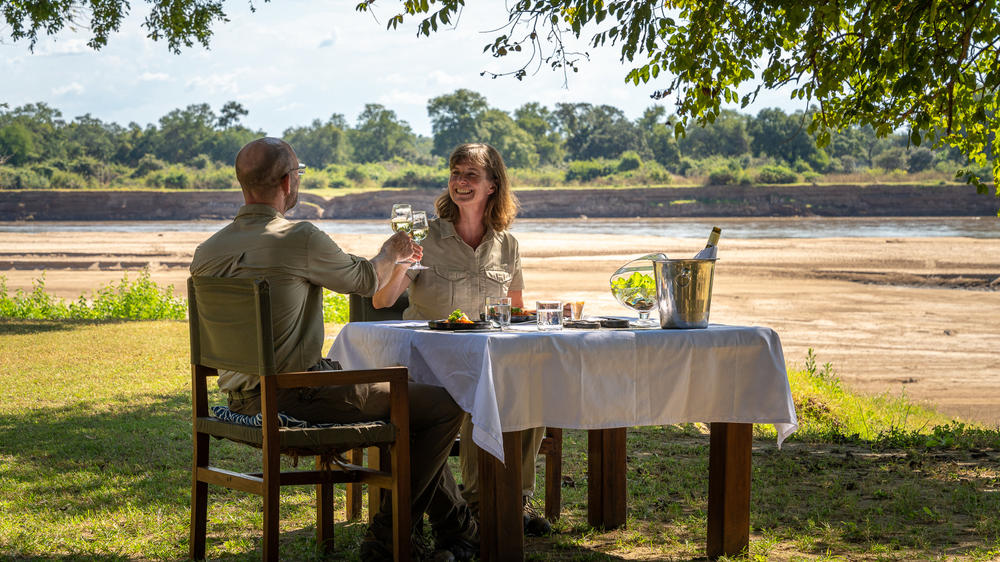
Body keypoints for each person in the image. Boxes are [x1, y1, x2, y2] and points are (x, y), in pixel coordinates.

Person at [189, 137, 477, 561]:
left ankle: (458, 530)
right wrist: (391, 251)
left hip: (239, 401)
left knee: (408, 407)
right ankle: (390, 537)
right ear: (287, 182)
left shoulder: (207, 250)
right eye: (299, 173)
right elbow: (365, 281)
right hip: (295, 398)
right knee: (442, 405)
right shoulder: (298, 237)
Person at [372, 142, 552, 535]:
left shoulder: (508, 245)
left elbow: (515, 314)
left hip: (483, 360)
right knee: (482, 391)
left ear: (492, 185)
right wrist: (401, 261)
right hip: (428, 367)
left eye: (471, 174)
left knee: (527, 390)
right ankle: (477, 504)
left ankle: (514, 500)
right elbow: (382, 300)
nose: (461, 181)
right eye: (455, 173)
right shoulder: (425, 236)